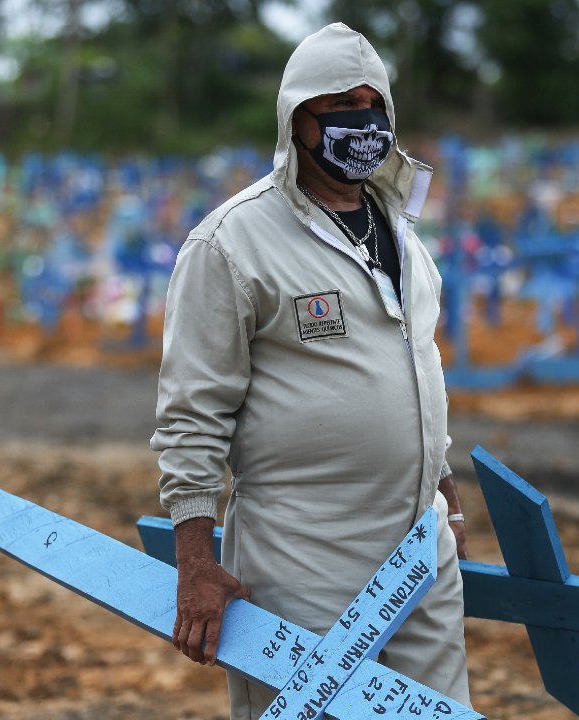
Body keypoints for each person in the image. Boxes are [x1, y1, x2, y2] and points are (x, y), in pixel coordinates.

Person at [150, 22, 472, 717]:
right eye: (336, 107)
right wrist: (196, 563)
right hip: (304, 553)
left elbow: (416, 365)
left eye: (371, 102)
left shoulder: (403, 230)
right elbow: (190, 414)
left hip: (422, 548)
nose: (360, 121)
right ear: (295, 119)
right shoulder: (232, 243)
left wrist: (442, 485)